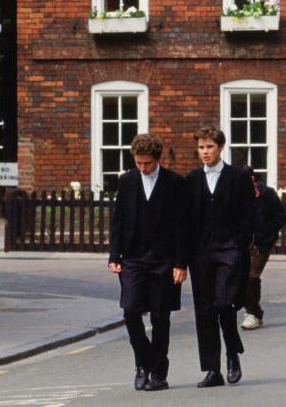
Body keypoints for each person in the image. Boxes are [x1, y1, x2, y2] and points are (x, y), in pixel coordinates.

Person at [108, 133, 189, 392]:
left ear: (158, 159)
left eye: (147, 164)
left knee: (160, 316)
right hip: (133, 257)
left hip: (164, 260)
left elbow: (181, 226)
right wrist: (114, 255)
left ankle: (159, 373)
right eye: (138, 163)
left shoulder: (175, 183)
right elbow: (118, 220)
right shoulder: (127, 181)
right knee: (130, 310)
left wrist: (180, 263)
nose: (142, 168)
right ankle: (142, 363)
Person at [186, 126, 255, 388]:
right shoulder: (192, 180)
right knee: (205, 311)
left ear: (220, 147)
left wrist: (239, 243)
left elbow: (249, 214)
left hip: (230, 250)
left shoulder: (237, 177)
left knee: (225, 304)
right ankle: (212, 370)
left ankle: (231, 352)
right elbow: (186, 220)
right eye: (201, 147)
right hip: (201, 254)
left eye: (210, 147)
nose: (205, 152)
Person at [241, 175, 286, 329]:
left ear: (252, 179)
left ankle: (252, 313)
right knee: (242, 277)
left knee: (251, 275)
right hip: (242, 243)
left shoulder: (267, 194)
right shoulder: (236, 195)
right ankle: (255, 311)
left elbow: (280, 217)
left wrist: (266, 233)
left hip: (261, 244)